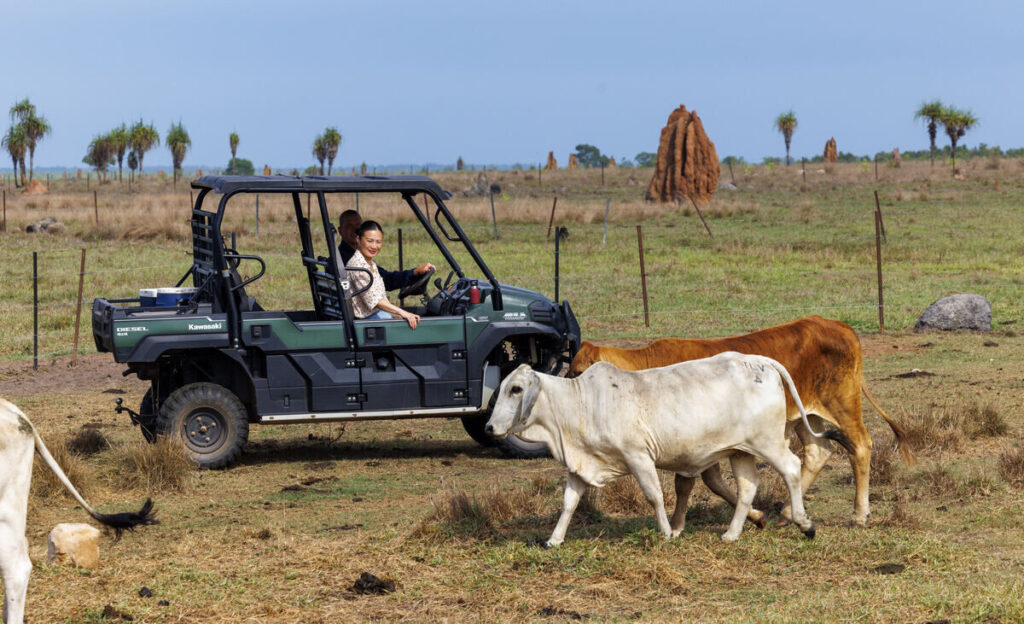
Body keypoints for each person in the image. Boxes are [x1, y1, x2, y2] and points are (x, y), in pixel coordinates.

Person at [347, 221, 420, 328]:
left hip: (374, 314)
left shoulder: (369, 262)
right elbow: (375, 301)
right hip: (367, 319)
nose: (374, 246)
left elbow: (379, 295)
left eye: (378, 242)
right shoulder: (358, 265)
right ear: (358, 239)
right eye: (370, 241)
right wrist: (402, 312)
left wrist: (394, 313)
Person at [338, 209, 434, 290]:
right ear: (340, 231)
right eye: (349, 226)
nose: (355, 229)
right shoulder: (349, 259)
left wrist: (414, 272)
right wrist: (414, 272)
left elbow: (384, 278)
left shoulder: (355, 254)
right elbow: (385, 281)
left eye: (358, 225)